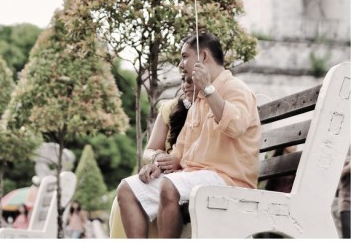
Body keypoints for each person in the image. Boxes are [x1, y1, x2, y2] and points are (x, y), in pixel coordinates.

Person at [116, 32, 261, 238]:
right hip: (193, 177)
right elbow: (180, 152)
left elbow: (236, 127)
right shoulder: (199, 100)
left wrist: (209, 90)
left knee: (169, 186)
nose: (181, 64)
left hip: (228, 179)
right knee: (127, 189)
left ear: (203, 57)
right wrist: (159, 165)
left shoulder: (236, 89)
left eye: (185, 56)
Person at [110, 78, 194, 238]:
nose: (186, 85)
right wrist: (158, 158)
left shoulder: (211, 110)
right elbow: (149, 150)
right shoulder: (172, 108)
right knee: (125, 196)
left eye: (191, 80)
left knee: (150, 197)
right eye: (184, 79)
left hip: (187, 181)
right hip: (164, 177)